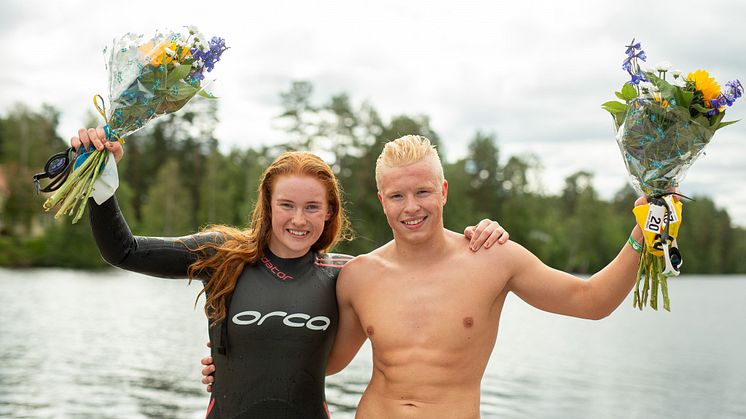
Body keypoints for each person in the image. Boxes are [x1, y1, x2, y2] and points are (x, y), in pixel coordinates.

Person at [72, 127, 508, 419]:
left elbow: (419, 280)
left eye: (313, 207)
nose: (299, 219)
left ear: (329, 213)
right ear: (267, 205)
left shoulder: (346, 275)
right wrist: (100, 186)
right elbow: (123, 251)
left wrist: (477, 239)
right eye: (287, 205)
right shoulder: (221, 255)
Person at [203, 134, 647, 417]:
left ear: (444, 191)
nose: (411, 207)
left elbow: (592, 301)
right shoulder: (360, 275)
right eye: (397, 195)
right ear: (382, 200)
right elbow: (325, 363)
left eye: (422, 192)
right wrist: (234, 363)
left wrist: (643, 233)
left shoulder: (493, 257)